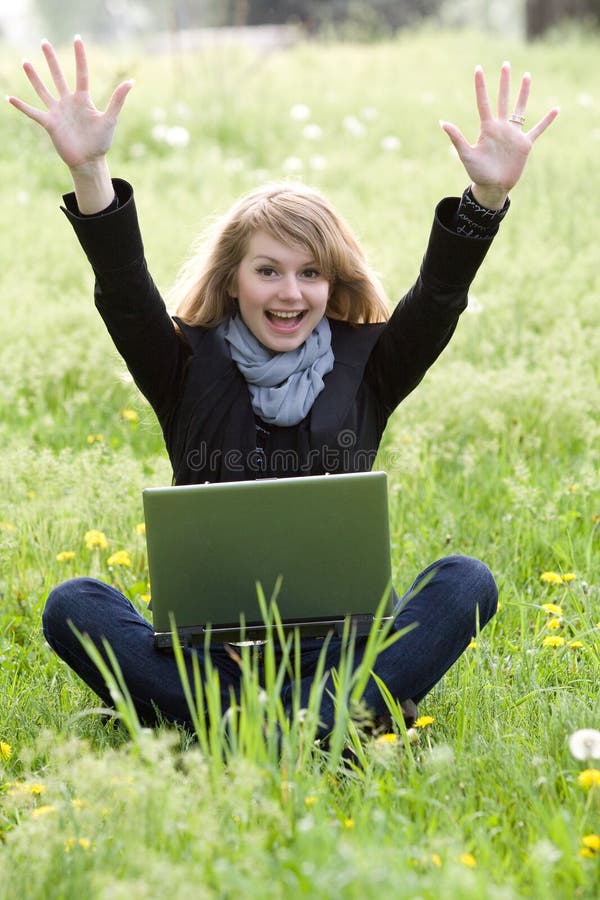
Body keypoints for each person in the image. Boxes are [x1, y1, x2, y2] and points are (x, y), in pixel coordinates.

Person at [9, 38, 557, 739]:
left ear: (333, 285)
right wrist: (90, 170)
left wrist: (487, 197)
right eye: (268, 270)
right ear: (233, 279)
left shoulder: (372, 363)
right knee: (73, 602)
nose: (290, 292)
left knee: (466, 582)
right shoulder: (184, 364)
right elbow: (123, 291)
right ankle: (315, 723)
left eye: (310, 273)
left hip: (343, 649)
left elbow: (442, 295)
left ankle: (260, 724)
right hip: (216, 655)